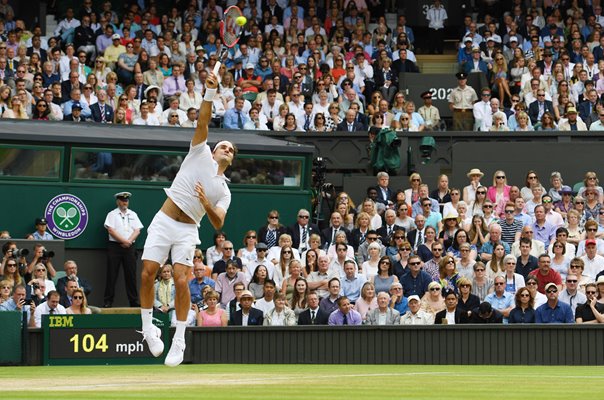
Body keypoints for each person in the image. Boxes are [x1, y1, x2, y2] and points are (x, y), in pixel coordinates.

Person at [139, 72, 236, 367]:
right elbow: (204, 119)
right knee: (147, 273)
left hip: (188, 229)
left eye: (232, 150)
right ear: (214, 149)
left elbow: (218, 222)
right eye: (224, 146)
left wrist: (205, 201)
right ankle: (148, 330)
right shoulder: (199, 150)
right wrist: (209, 91)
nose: (226, 150)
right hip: (164, 218)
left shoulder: (224, 191)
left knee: (182, 280)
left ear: (232, 159)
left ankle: (178, 339)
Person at [103, 191, 143, 308]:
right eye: (122, 200)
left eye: (126, 200)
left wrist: (129, 241)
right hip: (115, 246)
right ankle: (108, 301)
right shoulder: (112, 214)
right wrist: (123, 241)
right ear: (118, 201)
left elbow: (137, 230)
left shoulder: (133, 214)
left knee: (131, 275)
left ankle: (133, 301)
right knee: (112, 275)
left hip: (130, 248)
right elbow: (111, 230)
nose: (125, 202)